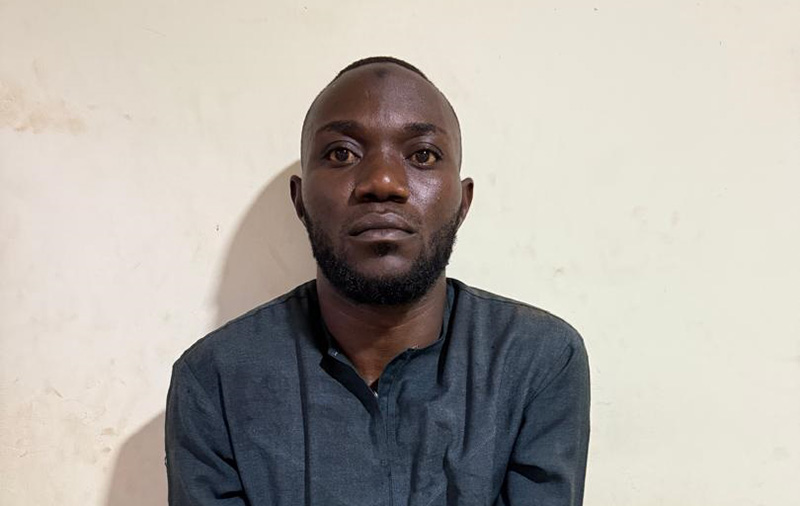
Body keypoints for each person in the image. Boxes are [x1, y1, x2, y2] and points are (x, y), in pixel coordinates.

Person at [165, 56, 590, 506]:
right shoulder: (215, 381)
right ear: (301, 200)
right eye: (342, 153)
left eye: (422, 155)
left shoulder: (536, 361)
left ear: (462, 203)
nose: (383, 182)